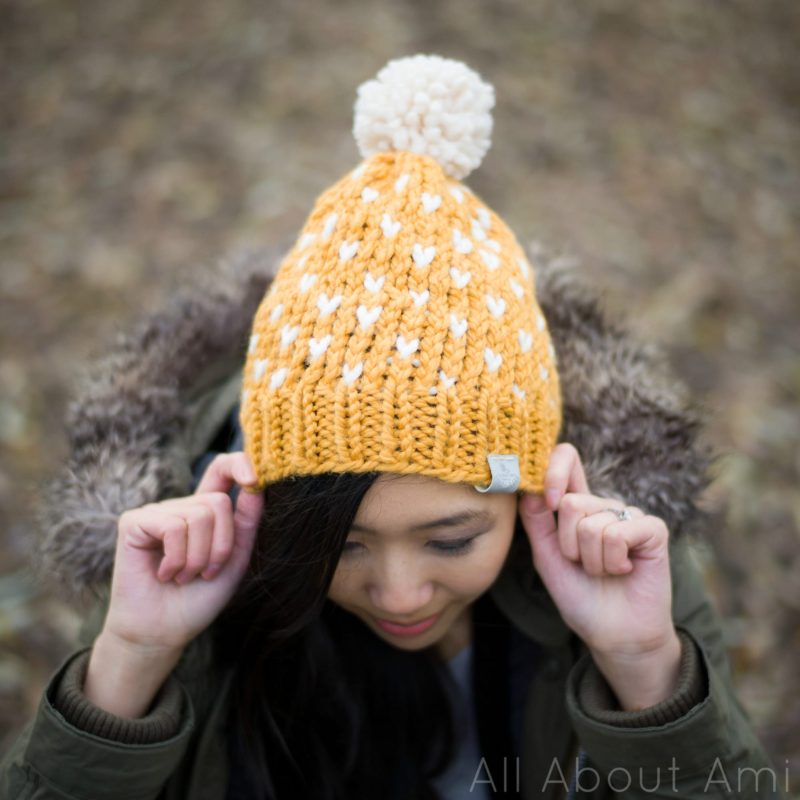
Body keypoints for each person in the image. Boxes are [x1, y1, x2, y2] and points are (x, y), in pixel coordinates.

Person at [1, 54, 786, 800]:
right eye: (341, 545)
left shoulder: (623, 559)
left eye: (450, 539)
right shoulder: (178, 561)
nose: (400, 594)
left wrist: (643, 664)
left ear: (532, 486)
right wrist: (133, 661)